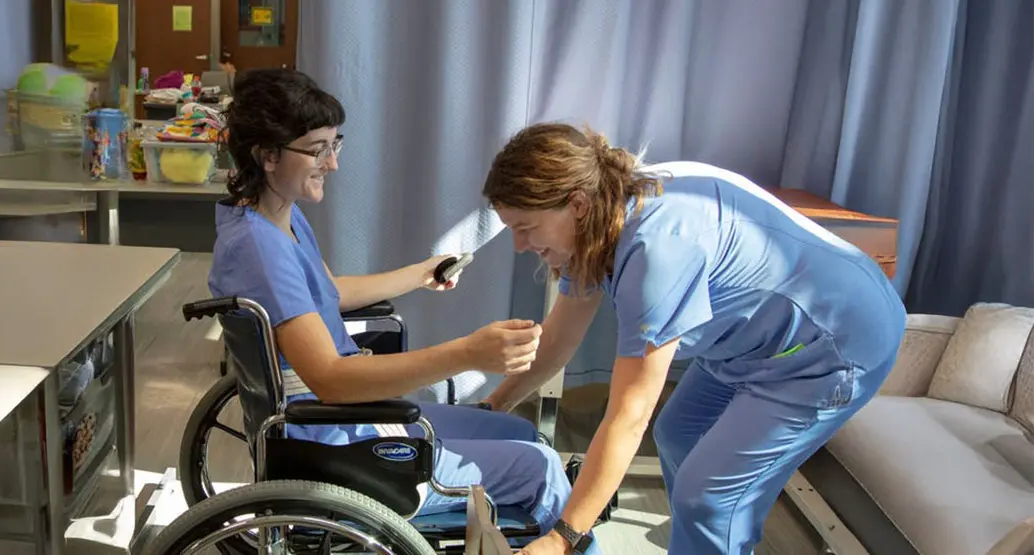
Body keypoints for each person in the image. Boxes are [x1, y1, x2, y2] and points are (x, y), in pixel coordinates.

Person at [207, 69, 601, 554]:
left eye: (335, 145)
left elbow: (326, 292)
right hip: (339, 441)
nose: (332, 163)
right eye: (318, 150)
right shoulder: (261, 250)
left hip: (343, 420)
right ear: (267, 155)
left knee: (517, 431)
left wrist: (421, 273)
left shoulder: (272, 221)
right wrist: (468, 353)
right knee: (540, 470)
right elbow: (330, 379)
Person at [480, 122, 907, 555]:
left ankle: (713, 532)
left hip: (834, 345)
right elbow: (558, 341)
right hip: (753, 344)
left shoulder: (656, 253)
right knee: (679, 434)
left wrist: (563, 538)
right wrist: (490, 410)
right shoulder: (598, 221)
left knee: (708, 498)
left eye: (526, 227)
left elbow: (629, 416)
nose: (519, 245)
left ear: (576, 204)